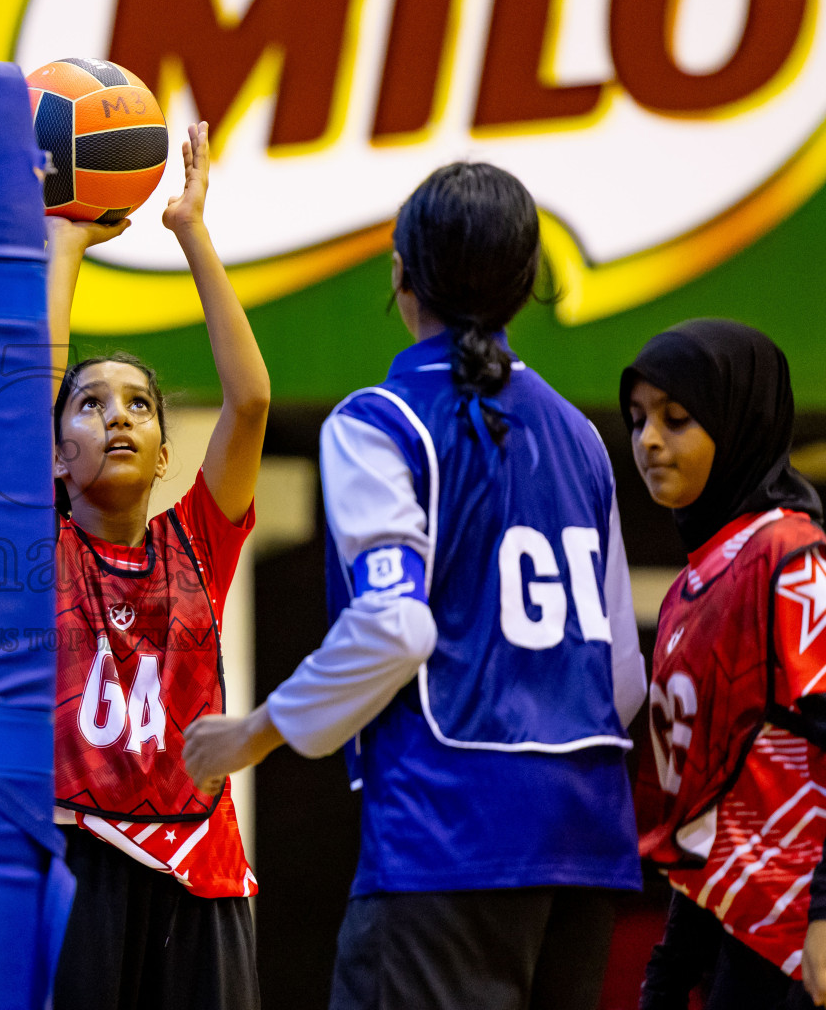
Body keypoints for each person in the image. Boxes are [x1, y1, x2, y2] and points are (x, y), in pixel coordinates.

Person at [181, 162, 646, 1010]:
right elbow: (622, 677)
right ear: (524, 282)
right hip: (587, 843)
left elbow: (396, 628)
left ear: (401, 275)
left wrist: (253, 733)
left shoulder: (378, 422)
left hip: (449, 832)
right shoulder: (583, 436)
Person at [43, 120, 269, 1010]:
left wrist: (191, 231)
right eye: (91, 405)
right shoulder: (43, 549)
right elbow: (24, 392)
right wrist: (65, 242)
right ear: (56, 455)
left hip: (200, 868)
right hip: (82, 857)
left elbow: (249, 401)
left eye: (139, 404)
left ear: (166, 453)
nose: (121, 417)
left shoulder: (197, 545)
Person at [623, 320, 826, 1010]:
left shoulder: (791, 556)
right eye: (637, 419)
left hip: (801, 940)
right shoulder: (691, 585)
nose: (648, 440)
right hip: (736, 935)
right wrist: (672, 968)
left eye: (676, 419)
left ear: (742, 423)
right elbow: (710, 803)